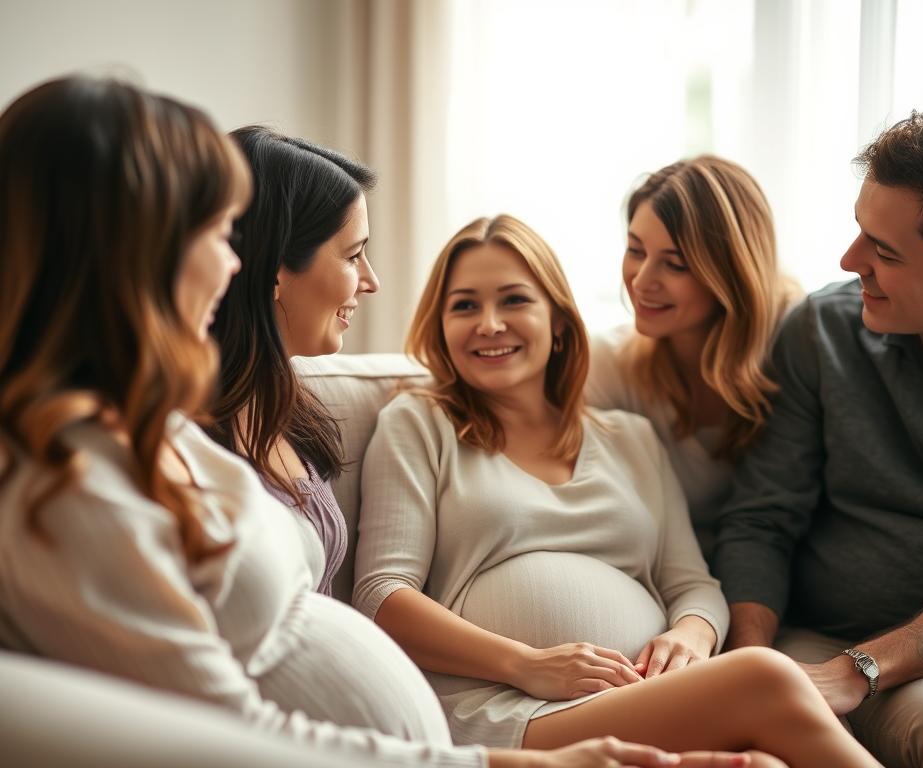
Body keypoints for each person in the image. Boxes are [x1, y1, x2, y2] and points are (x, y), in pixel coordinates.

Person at [0, 76, 752, 768]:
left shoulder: (150, 433)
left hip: (438, 745)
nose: (227, 265)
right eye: (211, 234)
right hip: (462, 736)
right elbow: (230, 731)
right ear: (130, 256)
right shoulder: (66, 482)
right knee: (766, 686)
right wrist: (524, 757)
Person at [352, 214, 880, 767]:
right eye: (464, 305)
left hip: (637, 696)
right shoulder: (419, 421)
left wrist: (692, 638)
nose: (488, 324)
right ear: (440, 326)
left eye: (513, 301)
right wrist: (526, 663)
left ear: (557, 320)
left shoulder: (631, 438)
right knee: (765, 673)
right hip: (506, 709)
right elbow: (384, 593)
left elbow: (692, 584)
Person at [713, 106, 923, 768]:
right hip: (811, 642)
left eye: (884, 251)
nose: (850, 262)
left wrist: (861, 670)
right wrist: (752, 663)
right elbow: (761, 519)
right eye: (860, 232)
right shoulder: (824, 330)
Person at [586, 156, 796, 556]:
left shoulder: (796, 346)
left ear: (732, 272)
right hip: (671, 578)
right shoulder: (609, 364)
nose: (641, 281)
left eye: (675, 263)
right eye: (635, 250)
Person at [207, 126, 379, 597]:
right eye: (354, 256)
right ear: (275, 269)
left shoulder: (287, 408)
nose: (370, 281)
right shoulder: (186, 438)